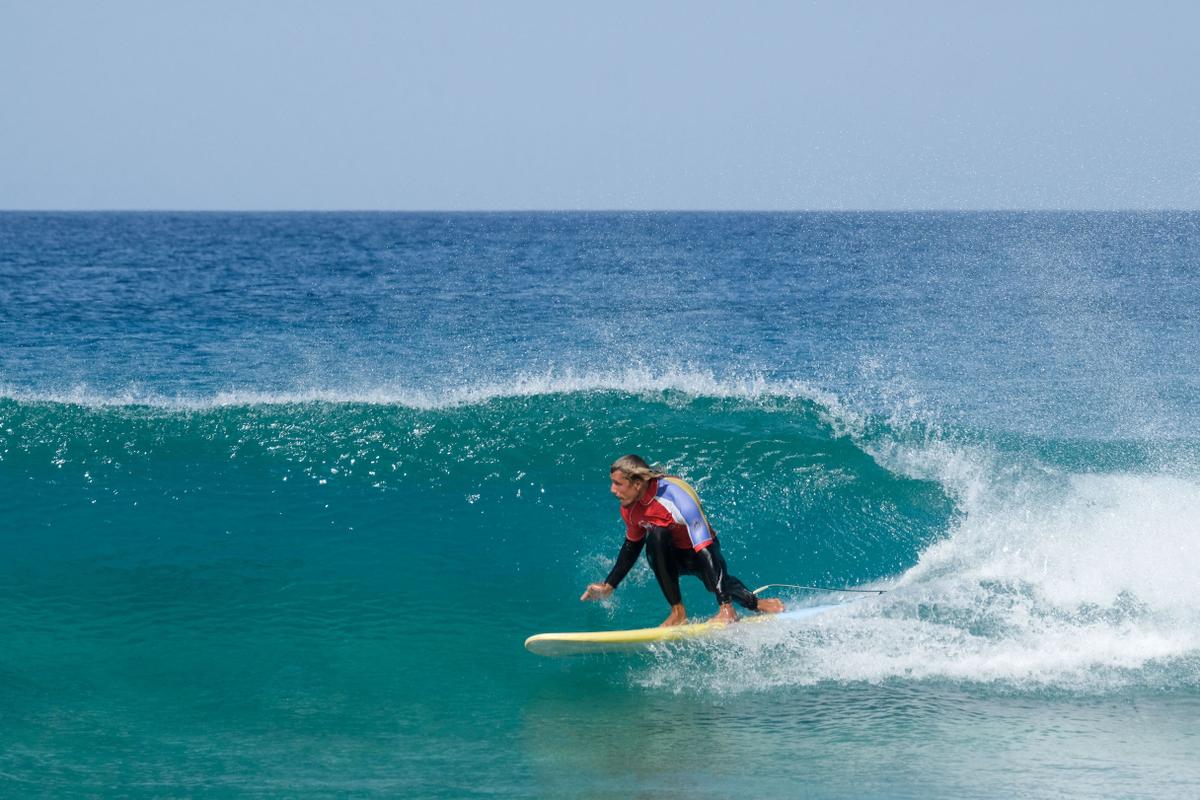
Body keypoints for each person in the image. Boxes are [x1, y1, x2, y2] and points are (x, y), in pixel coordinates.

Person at [580, 454, 785, 627]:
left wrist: (725, 608)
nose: (612, 490)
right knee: (655, 536)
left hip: (700, 552)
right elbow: (632, 546)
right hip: (671, 557)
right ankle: (678, 613)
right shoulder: (629, 508)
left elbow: (706, 548)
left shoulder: (675, 497)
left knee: (716, 584)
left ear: (637, 483)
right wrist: (609, 585)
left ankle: (758, 604)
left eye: (617, 484)